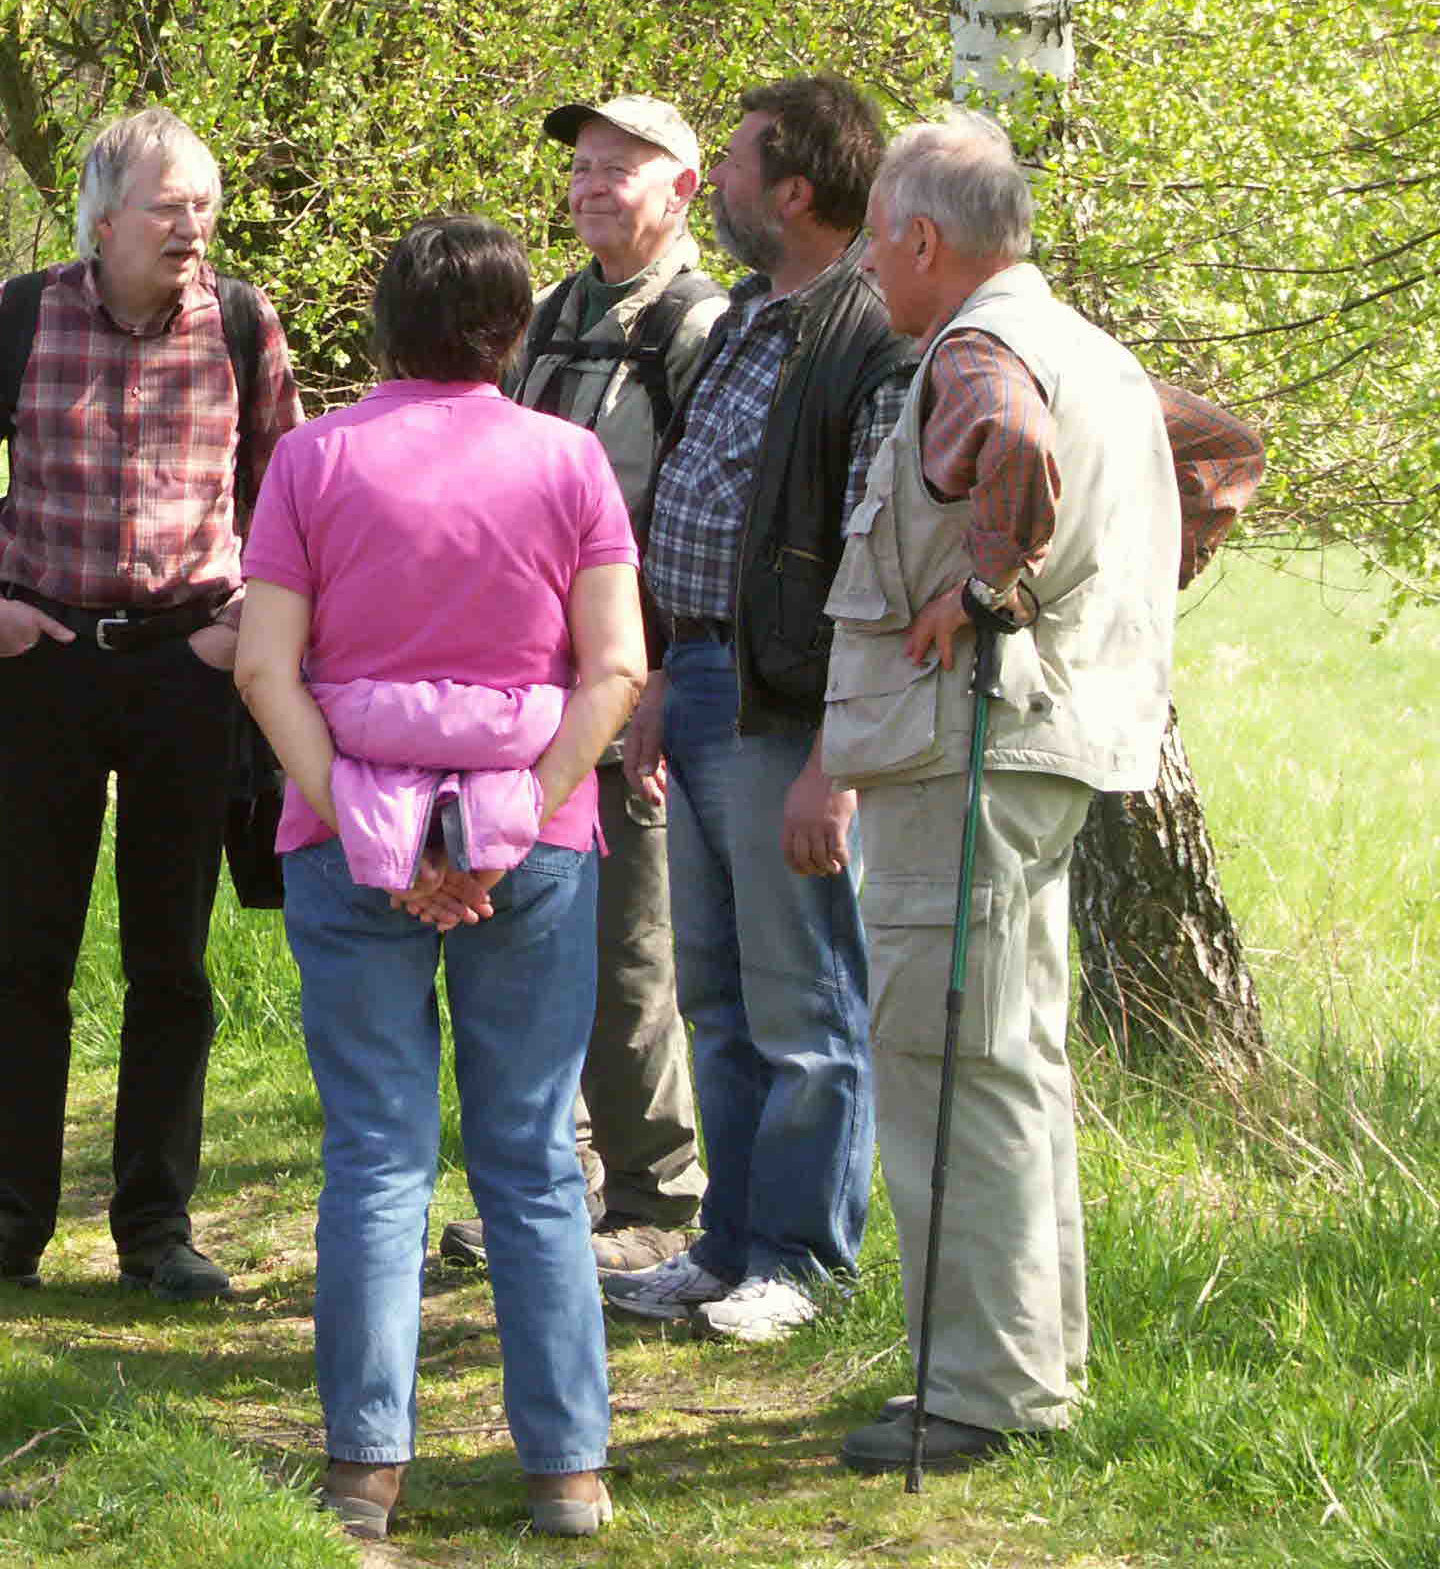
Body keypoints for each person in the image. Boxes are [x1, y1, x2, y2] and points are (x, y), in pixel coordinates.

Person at [824, 115, 1259, 1474]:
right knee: (1009, 1059)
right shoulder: (1098, 351)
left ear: (924, 241)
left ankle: (982, 1394)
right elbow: (1223, 459)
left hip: (972, 744)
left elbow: (1010, 447)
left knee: (951, 1065)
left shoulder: (978, 349)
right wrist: (1107, 602)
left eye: (879, 244)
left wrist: (992, 583)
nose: (870, 272)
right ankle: (1027, 1367)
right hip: (1045, 740)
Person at [235, 214, 645, 1539]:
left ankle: (366, 1467)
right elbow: (616, 669)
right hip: (532, 845)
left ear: (382, 322)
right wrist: (517, 813)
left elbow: (263, 667)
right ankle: (567, 1470)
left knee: (376, 1154)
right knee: (528, 1155)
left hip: (350, 840)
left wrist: (367, 821)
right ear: (513, 330)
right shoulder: (570, 461)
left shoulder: (314, 458)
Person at [0, 107, 303, 1303]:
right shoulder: (25, 314)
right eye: (173, 205)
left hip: (191, 669)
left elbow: (293, 494)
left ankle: (156, 1229)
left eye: (206, 206)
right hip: (49, 663)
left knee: (171, 964)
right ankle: (3, 1225)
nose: (196, 228)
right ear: (106, 216)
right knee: (28, 954)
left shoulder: (243, 322)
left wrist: (245, 632)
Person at [600, 75, 915, 1349]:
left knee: (804, 1003)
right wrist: (662, 673)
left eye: (731, 166)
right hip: (705, 683)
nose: (714, 186)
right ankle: (726, 1244)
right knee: (715, 994)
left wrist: (837, 758)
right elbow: (696, 505)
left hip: (794, 706)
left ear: (795, 190)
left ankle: (802, 1260)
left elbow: (871, 556)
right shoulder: (745, 319)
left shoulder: (868, 333)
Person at [443, 94, 721, 1279]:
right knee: (530, 933)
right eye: (584, 168)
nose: (593, 184)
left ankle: (657, 1196)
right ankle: (554, 1183)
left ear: (684, 192)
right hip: (530, 692)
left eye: (623, 168)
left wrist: (658, 672)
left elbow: (711, 514)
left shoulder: (704, 326)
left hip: (635, 687)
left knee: (631, 946)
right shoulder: (553, 316)